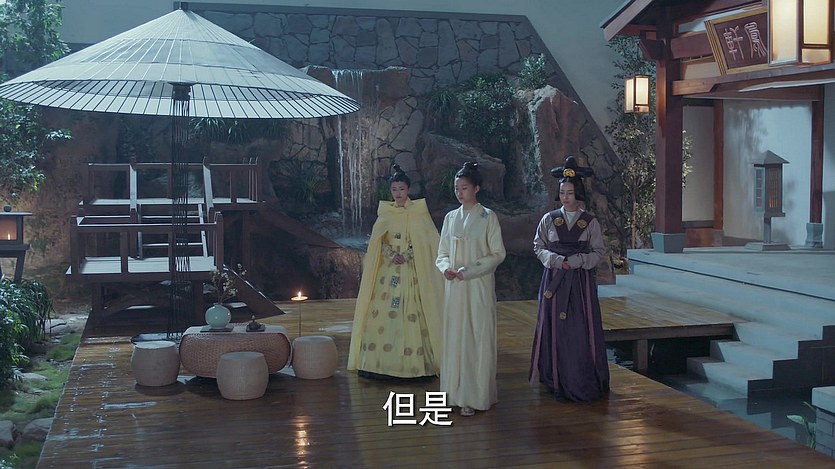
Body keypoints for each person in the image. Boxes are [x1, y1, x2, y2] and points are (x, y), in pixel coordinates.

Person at [347, 164, 444, 380]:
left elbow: (427, 240)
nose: (398, 193)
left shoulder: (418, 212)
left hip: (411, 269)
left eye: (401, 189)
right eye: (394, 189)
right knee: (383, 312)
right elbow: (378, 241)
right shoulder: (386, 213)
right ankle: (379, 364)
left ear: (408, 189)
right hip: (389, 270)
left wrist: (408, 254)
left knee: (412, 309)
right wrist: (391, 254)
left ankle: (415, 365)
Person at [529, 155, 609, 402]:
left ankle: (581, 377)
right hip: (554, 279)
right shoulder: (549, 219)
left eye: (570, 193)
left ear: (578, 193)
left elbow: (598, 251)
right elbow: (538, 246)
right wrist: (554, 260)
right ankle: (554, 377)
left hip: (579, 283)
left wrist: (577, 261)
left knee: (579, 329)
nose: (565, 197)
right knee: (554, 326)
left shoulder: (589, 222)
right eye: (562, 192)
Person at [436, 161, 506, 416]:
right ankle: (453, 394)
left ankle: (475, 396)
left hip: (477, 285)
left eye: (464, 188)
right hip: (455, 287)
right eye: (457, 188)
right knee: (455, 335)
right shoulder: (450, 217)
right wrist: (445, 268)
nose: (459, 192)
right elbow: (442, 252)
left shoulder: (488, 217)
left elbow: (497, 253)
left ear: (476, 188)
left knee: (476, 335)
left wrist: (469, 270)